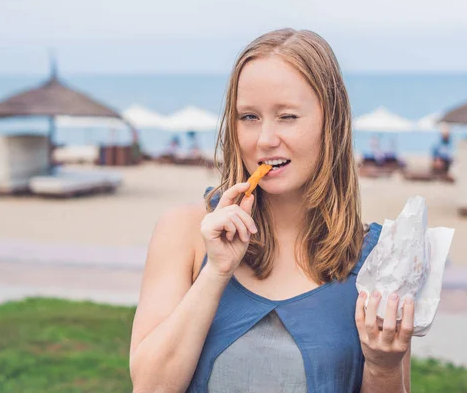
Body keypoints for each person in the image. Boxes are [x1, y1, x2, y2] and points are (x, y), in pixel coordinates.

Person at [130, 29, 413, 393]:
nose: (264, 140)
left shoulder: (380, 260)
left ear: (332, 124)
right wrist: (216, 272)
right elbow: (150, 387)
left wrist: (383, 365)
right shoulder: (184, 231)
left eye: (287, 117)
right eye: (249, 117)